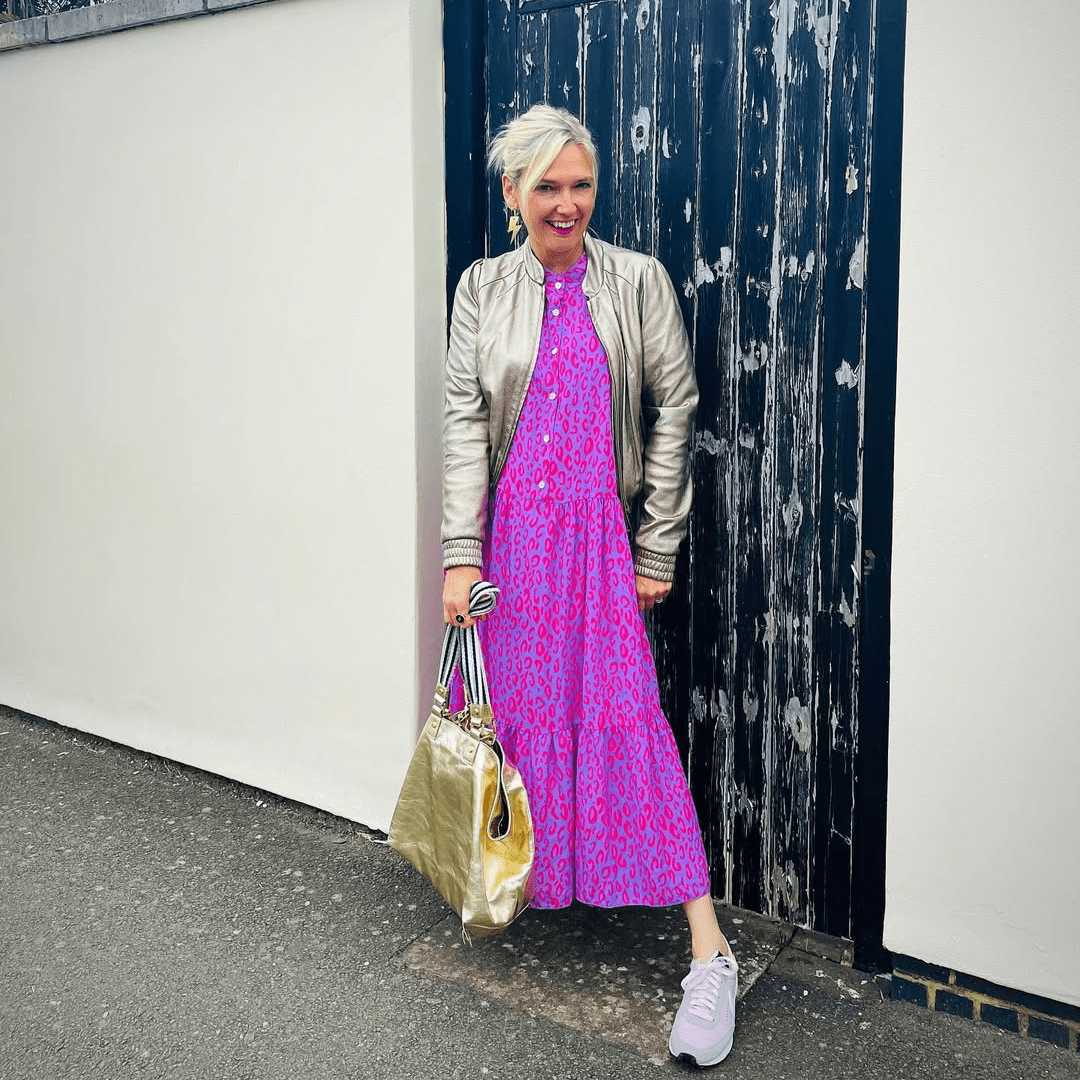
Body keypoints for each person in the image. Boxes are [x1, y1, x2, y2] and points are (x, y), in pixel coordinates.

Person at [440, 103, 738, 1068]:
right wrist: (460, 553)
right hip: (516, 549)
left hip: (599, 548)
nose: (565, 203)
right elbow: (463, 424)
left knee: (626, 723)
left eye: (580, 184)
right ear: (512, 194)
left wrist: (657, 545)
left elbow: (674, 405)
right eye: (545, 187)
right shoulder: (481, 290)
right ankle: (507, 882)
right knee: (511, 718)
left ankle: (710, 956)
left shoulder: (637, 280)